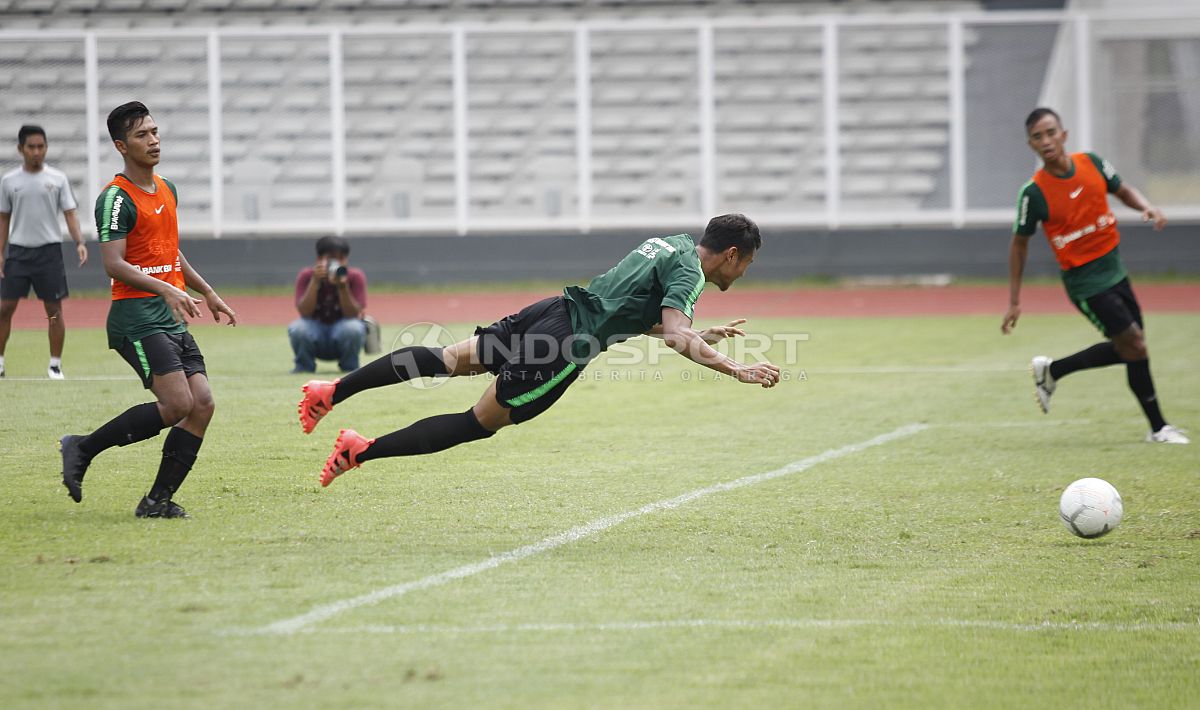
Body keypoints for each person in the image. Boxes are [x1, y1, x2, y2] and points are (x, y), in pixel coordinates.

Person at [298, 213, 781, 487]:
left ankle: (332, 391)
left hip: (552, 311)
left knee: (447, 360)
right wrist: (736, 368)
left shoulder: (668, 243)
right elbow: (676, 332)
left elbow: (627, 310)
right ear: (732, 254)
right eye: (747, 265)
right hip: (564, 346)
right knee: (480, 422)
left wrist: (698, 334)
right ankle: (359, 451)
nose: (742, 275)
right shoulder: (691, 273)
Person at [58, 101, 238, 518]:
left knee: (203, 403)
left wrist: (207, 291)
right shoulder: (116, 199)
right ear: (122, 145)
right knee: (177, 404)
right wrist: (165, 289)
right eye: (142, 135)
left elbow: (169, 251)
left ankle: (156, 501)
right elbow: (114, 263)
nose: (153, 140)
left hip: (168, 315)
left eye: (155, 132)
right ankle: (81, 448)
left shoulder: (168, 189)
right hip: (135, 316)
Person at [1003, 107, 1187, 444]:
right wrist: (1014, 300)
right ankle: (1159, 428)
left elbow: (1121, 188)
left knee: (1133, 348)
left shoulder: (1091, 163)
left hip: (1115, 269)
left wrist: (1145, 206)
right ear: (1030, 144)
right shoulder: (1034, 193)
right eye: (1037, 136)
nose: (1046, 141)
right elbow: (1019, 245)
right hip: (1085, 283)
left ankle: (1052, 370)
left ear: (1064, 134)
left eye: (1050, 132)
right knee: (1134, 344)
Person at [0, 125, 88, 380]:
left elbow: (70, 214)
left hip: (48, 253)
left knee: (53, 311)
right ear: (20, 149)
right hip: (18, 252)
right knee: (5, 308)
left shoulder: (57, 179)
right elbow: (4, 219)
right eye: (31, 147)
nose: (37, 152)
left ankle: (55, 365)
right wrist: (1, 251)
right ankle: (1, 362)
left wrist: (80, 241)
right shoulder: (9, 181)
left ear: (46, 147)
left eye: (41, 146)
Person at [288, 235, 372, 373]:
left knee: (354, 328)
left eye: (341, 259)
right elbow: (304, 312)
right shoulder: (307, 276)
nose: (337, 264)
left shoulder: (355, 276)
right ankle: (303, 366)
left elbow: (352, 314)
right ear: (319, 259)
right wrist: (315, 282)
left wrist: (342, 287)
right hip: (314, 329)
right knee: (298, 328)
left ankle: (350, 368)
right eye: (332, 259)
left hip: (342, 330)